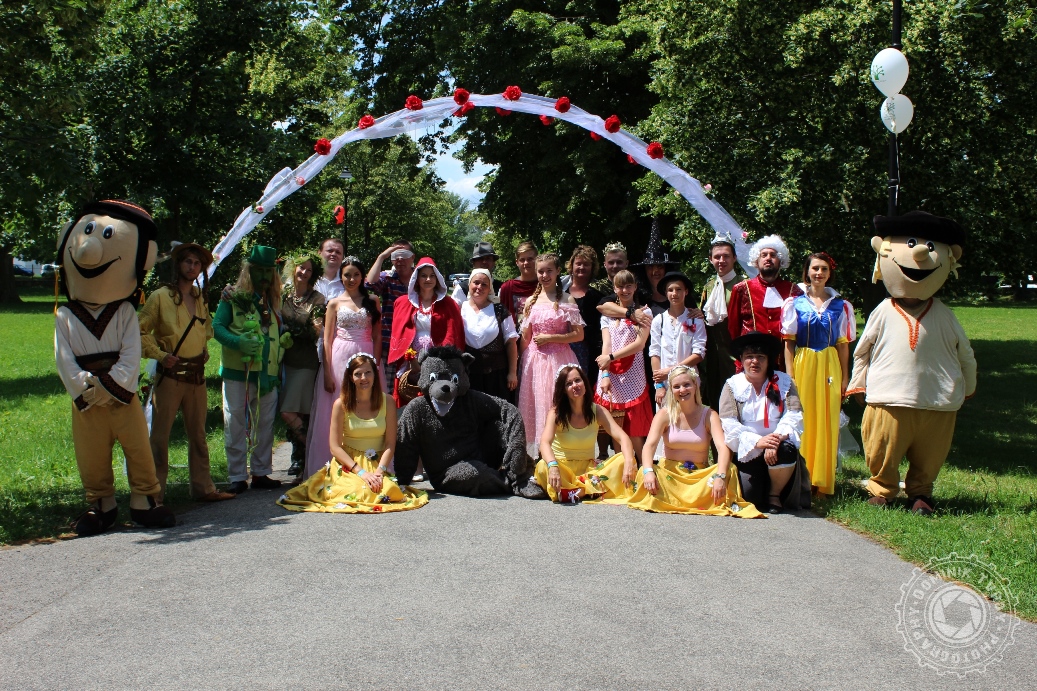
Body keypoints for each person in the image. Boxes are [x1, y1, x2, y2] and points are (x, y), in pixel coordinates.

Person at [139, 242, 233, 502]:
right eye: (188, 262)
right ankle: (154, 496)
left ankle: (203, 488)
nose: (192, 267)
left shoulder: (199, 297)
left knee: (199, 436)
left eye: (197, 263)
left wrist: (203, 349)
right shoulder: (160, 297)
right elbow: (139, 329)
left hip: (196, 377)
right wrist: (160, 355)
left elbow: (204, 329)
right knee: (160, 438)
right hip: (170, 376)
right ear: (178, 264)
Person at [278, 353, 428, 513]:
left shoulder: (388, 402)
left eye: (368, 372)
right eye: (358, 374)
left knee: (387, 491)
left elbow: (390, 444)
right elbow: (335, 447)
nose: (364, 378)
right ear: (351, 377)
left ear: (375, 375)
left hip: (377, 463)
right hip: (349, 464)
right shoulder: (340, 404)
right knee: (358, 491)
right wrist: (361, 472)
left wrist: (379, 471)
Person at [625, 366, 762, 517]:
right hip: (670, 475)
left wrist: (720, 476)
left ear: (695, 385)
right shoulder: (664, 414)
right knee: (646, 472)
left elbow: (723, 448)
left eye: (686, 384)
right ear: (671, 390)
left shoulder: (709, 415)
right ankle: (687, 500)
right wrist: (648, 471)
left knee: (729, 469)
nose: (682, 390)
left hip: (699, 476)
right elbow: (649, 446)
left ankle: (684, 500)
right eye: (676, 387)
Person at [213, 245, 287, 494]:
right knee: (235, 422)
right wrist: (237, 342)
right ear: (249, 271)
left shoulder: (275, 300)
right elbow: (217, 327)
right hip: (238, 372)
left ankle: (261, 472)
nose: (264, 276)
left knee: (265, 424)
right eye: (259, 271)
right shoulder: (232, 297)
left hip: (268, 374)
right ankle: (236, 475)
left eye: (268, 271)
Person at [781, 252, 855, 496]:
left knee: (826, 420)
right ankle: (802, 479)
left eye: (824, 269)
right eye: (815, 268)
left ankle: (822, 481)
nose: (819, 273)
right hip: (804, 363)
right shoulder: (795, 304)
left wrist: (845, 378)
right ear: (807, 272)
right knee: (804, 419)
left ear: (829, 273)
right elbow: (789, 342)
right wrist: (790, 375)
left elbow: (843, 345)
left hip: (829, 365)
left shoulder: (840, 305)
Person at [718, 332, 811, 514]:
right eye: (749, 357)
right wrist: (757, 441)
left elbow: (794, 415)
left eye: (761, 357)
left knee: (786, 450)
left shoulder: (784, 382)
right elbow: (729, 423)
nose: (755, 362)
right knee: (750, 498)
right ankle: (762, 486)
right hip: (749, 449)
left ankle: (775, 494)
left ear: (769, 360)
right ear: (741, 360)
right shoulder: (732, 385)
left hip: (778, 447)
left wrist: (774, 440)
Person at [306, 256, 380, 478]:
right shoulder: (334, 303)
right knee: (337, 408)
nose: (352, 279)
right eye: (347, 275)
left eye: (356, 274)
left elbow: (377, 335)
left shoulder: (372, 301)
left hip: (366, 354)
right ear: (341, 277)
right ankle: (332, 465)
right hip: (340, 358)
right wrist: (327, 373)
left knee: (365, 406)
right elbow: (327, 339)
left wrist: (375, 364)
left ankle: (367, 462)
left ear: (362, 276)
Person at [533, 364, 637, 503]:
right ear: (563, 390)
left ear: (584, 382)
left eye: (577, 380)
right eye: (569, 384)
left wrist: (629, 461)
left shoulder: (597, 411)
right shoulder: (556, 413)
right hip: (562, 468)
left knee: (623, 459)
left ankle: (577, 491)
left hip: (589, 471)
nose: (575, 385)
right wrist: (553, 466)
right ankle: (590, 490)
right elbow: (545, 443)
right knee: (542, 466)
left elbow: (623, 438)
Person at [517, 252, 585, 455]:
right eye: (541, 271)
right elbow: (526, 337)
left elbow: (579, 335)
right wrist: (519, 364)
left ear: (557, 272)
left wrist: (551, 338)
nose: (545, 275)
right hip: (535, 361)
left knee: (558, 404)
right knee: (538, 406)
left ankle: (564, 451)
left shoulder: (567, 299)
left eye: (549, 271)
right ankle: (541, 455)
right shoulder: (531, 301)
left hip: (559, 360)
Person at [386, 256, 465, 408]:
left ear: (437, 278)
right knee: (411, 395)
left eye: (431, 275)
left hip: (437, 355)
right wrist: (409, 356)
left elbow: (454, 333)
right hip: (411, 357)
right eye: (423, 275)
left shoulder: (449, 304)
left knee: (436, 393)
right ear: (416, 278)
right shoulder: (403, 302)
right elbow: (399, 331)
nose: (428, 279)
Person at [593, 269, 653, 461]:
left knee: (635, 429)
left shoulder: (645, 312)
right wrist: (605, 375)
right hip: (611, 372)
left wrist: (610, 357)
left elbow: (640, 344)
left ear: (635, 287)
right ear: (614, 288)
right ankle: (620, 466)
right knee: (616, 426)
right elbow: (606, 344)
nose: (625, 290)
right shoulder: (607, 316)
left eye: (629, 286)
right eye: (620, 286)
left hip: (633, 374)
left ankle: (644, 466)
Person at [279, 252, 326, 477]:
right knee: (295, 412)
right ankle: (300, 461)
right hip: (281, 361)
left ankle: (314, 452)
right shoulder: (282, 294)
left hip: (305, 362)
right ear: (293, 268)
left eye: (309, 270)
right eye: (301, 268)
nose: (304, 272)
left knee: (290, 412)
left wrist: (290, 330)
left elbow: (316, 330)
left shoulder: (317, 299)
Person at [727, 235, 802, 372]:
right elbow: (734, 328)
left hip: (783, 363)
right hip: (751, 363)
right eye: (764, 255)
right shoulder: (742, 289)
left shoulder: (794, 291)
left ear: (781, 260)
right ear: (757, 260)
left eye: (773, 255)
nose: (768, 258)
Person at [699, 234, 749, 408]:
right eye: (717, 257)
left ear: (734, 258)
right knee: (714, 398)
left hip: (735, 353)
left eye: (726, 256)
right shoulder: (709, 286)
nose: (721, 260)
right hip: (713, 354)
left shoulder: (744, 285)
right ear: (710, 259)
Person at [460, 268, 519, 403]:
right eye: (476, 282)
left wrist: (512, 373)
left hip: (496, 376)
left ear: (490, 288)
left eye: (484, 284)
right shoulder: (460, 309)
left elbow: (511, 343)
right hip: (469, 376)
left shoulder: (500, 310)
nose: (479, 287)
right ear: (469, 284)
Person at [649, 272, 706, 408]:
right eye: (670, 290)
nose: (674, 293)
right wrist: (659, 386)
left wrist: (671, 371)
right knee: (666, 419)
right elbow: (655, 353)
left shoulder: (695, 320)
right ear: (665, 293)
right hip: (665, 384)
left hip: (689, 382)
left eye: (678, 289)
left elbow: (699, 354)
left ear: (686, 291)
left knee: (690, 417)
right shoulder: (659, 321)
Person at [366, 238, 416, 388]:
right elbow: (369, 284)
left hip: (415, 343)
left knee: (412, 388)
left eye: (404, 254)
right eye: (395, 255)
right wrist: (381, 257)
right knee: (387, 389)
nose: (400, 259)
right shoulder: (387, 278)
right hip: (390, 343)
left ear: (412, 257)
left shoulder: (420, 278)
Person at [563, 245, 603, 391]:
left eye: (586, 264)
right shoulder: (561, 291)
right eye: (578, 263)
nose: (581, 267)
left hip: (590, 350)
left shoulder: (598, 293)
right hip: (564, 347)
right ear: (572, 265)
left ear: (592, 267)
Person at [498, 240, 539, 330]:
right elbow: (501, 319)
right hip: (514, 337)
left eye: (530, 259)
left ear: (537, 260)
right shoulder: (507, 287)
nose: (526, 263)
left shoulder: (545, 286)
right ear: (517, 262)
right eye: (522, 260)